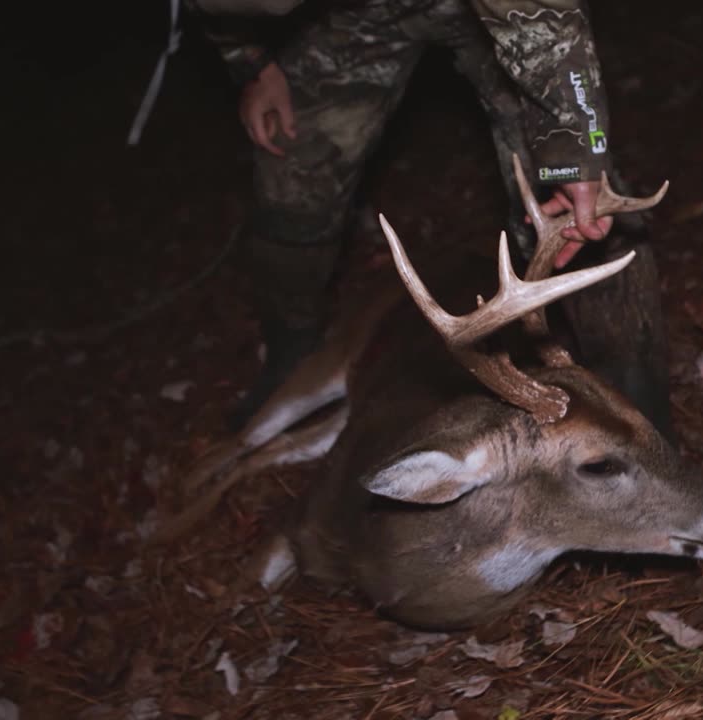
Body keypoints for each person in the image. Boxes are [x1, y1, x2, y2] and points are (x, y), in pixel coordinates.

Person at [190, 0, 676, 441]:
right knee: (293, 172)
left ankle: (636, 412)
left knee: (581, 209)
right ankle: (292, 355)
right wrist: (252, 62)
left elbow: (541, 17)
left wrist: (573, 152)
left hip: (502, 13)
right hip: (349, 15)